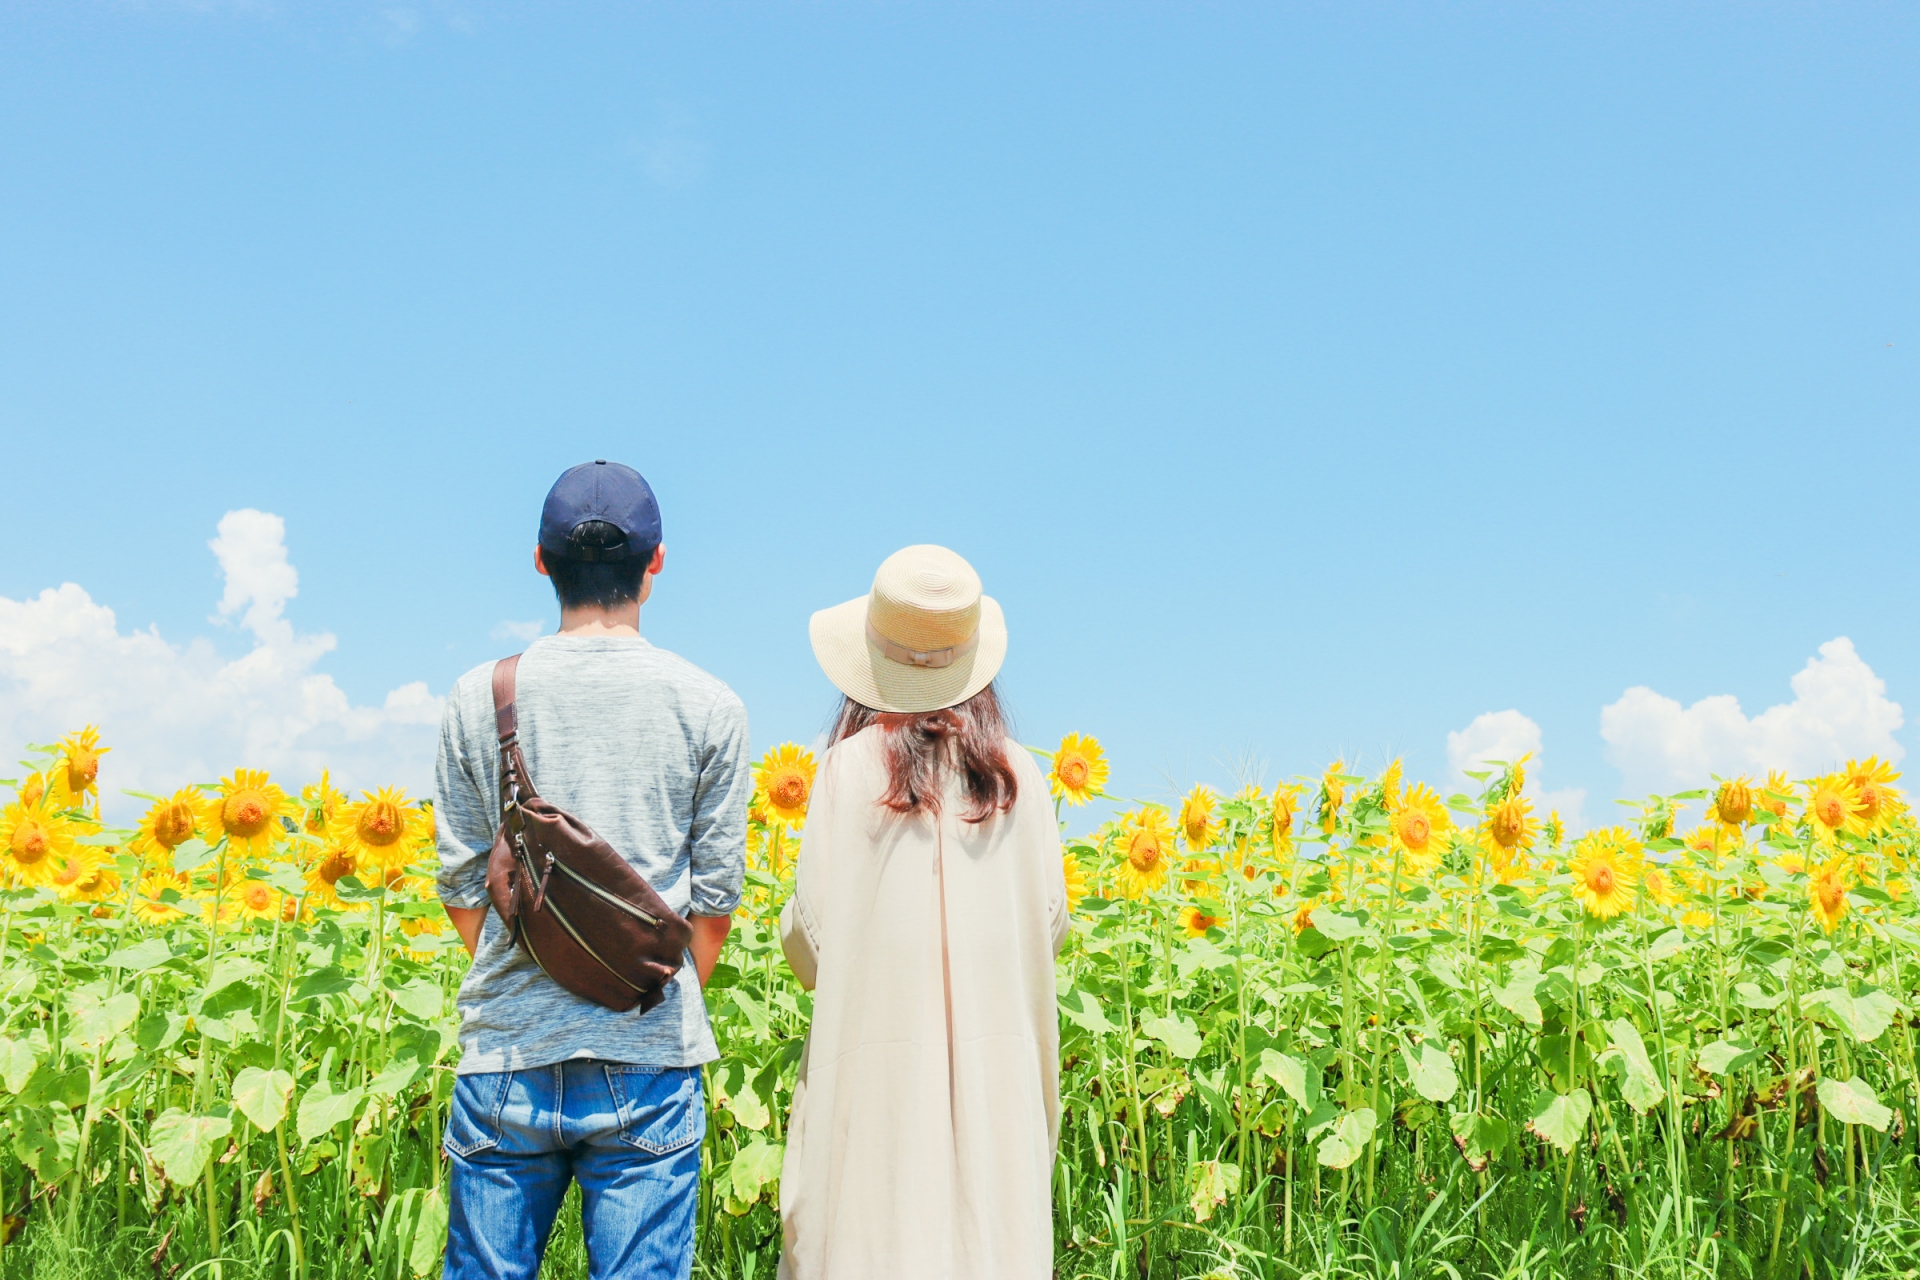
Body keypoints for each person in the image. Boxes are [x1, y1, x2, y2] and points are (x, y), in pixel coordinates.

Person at [434, 459, 750, 1280]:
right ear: (656, 564)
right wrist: (634, 985)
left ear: (542, 562)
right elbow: (713, 901)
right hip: (650, 1055)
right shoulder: (710, 704)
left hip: (505, 1055)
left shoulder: (478, 696)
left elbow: (464, 884)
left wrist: (542, 968)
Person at [778, 544, 1070, 1280]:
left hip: (876, 1096)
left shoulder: (847, 771)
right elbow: (1051, 928)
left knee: (873, 1234)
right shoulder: (1020, 780)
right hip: (997, 1091)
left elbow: (810, 947)